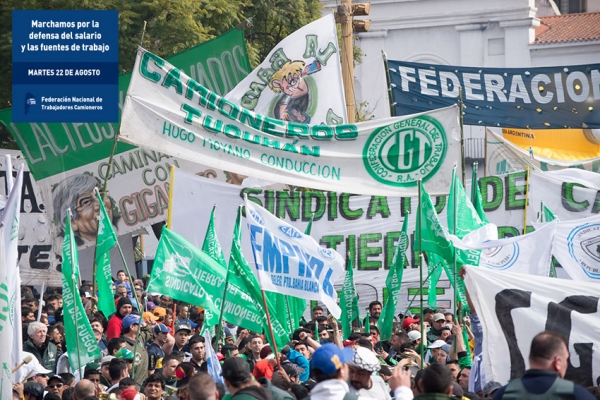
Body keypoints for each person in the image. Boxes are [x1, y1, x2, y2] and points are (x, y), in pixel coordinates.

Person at [492, 331, 595, 400]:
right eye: (566, 359)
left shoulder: (503, 394)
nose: (566, 364)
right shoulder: (577, 395)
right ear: (557, 362)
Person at [52, 174, 118, 246]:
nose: (100, 203)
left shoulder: (121, 226)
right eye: (86, 202)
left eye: (101, 195)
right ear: (71, 222)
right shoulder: (69, 252)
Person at [120, 314, 153, 385]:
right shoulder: (122, 345)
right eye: (138, 325)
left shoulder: (139, 338)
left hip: (143, 382)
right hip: (132, 384)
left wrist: (144, 324)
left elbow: (150, 332)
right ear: (132, 327)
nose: (141, 326)